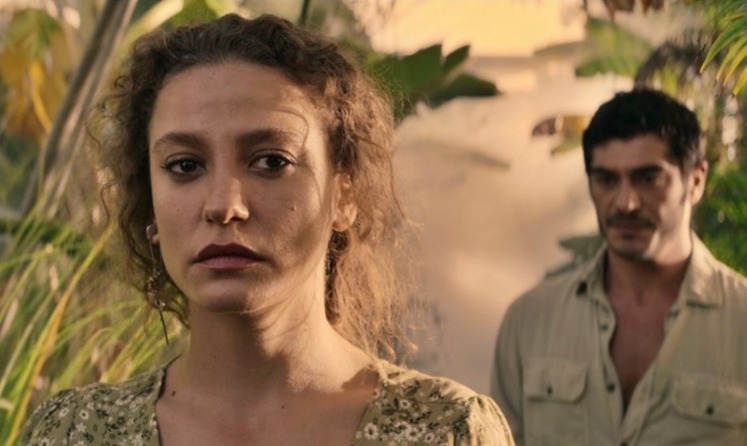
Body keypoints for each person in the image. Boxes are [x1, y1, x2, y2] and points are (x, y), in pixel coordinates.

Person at [21, 13, 514, 446]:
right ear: (149, 203)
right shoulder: (75, 432)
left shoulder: (445, 431)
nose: (224, 205)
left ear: (344, 195)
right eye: (185, 165)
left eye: (271, 161)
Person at [491, 87, 747, 445]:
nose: (625, 203)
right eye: (607, 180)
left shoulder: (740, 320)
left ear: (696, 181)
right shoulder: (530, 321)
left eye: (648, 178)